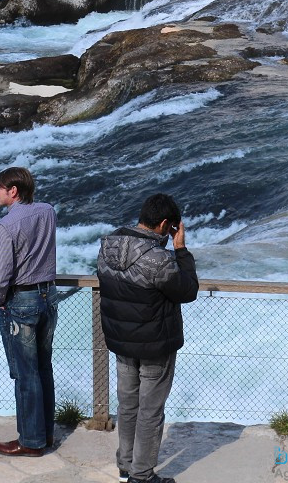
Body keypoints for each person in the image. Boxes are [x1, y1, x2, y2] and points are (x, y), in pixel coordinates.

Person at [97, 193, 199, 483]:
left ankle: (126, 466)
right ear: (166, 224)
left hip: (121, 341)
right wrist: (180, 249)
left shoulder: (107, 247)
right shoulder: (159, 260)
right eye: (170, 229)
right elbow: (187, 291)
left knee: (128, 405)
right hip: (155, 345)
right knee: (150, 411)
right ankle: (142, 475)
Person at [0, 166, 58, 457]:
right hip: (49, 296)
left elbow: (0, 275)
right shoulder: (48, 212)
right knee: (44, 368)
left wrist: (0, 299)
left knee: (26, 374)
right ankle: (45, 434)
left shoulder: (6, 226)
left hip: (22, 301)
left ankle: (30, 441)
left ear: (13, 191)